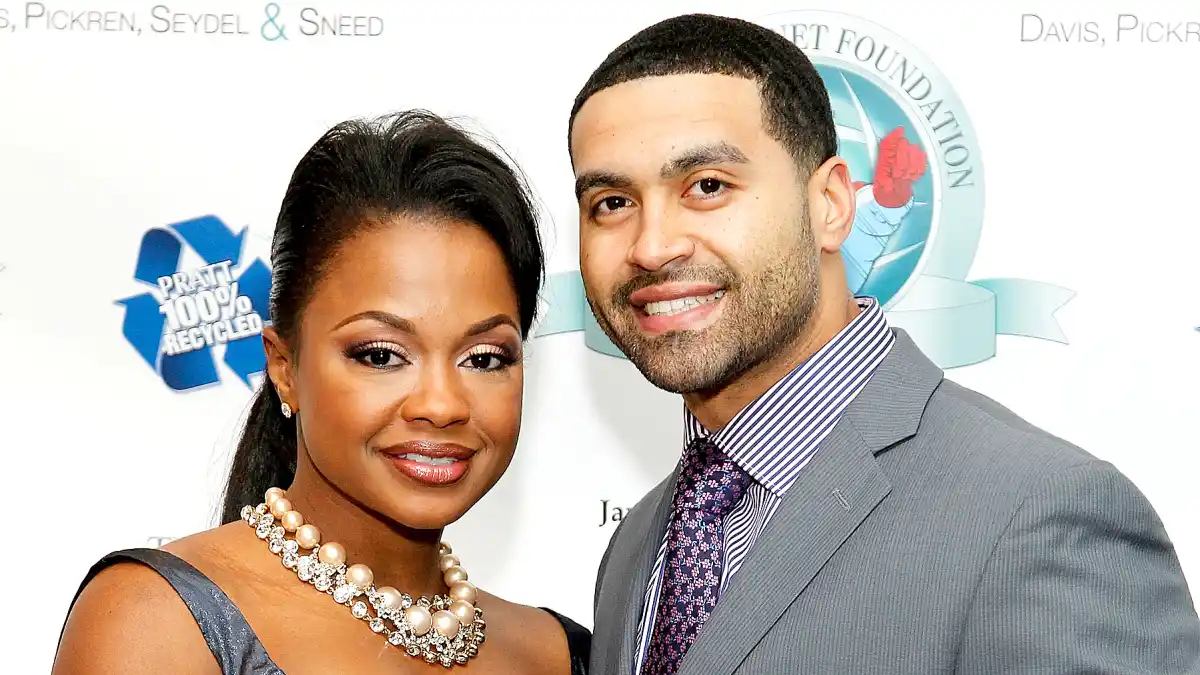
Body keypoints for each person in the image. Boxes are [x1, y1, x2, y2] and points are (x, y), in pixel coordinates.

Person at [569, 13, 1200, 675]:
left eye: (707, 186)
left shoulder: (1038, 514)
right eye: (611, 202)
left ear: (833, 205)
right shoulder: (640, 543)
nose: (651, 245)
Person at [54, 110, 589, 674]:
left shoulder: (559, 652)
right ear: (285, 368)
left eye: (483, 358)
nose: (441, 405)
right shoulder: (158, 621)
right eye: (381, 355)